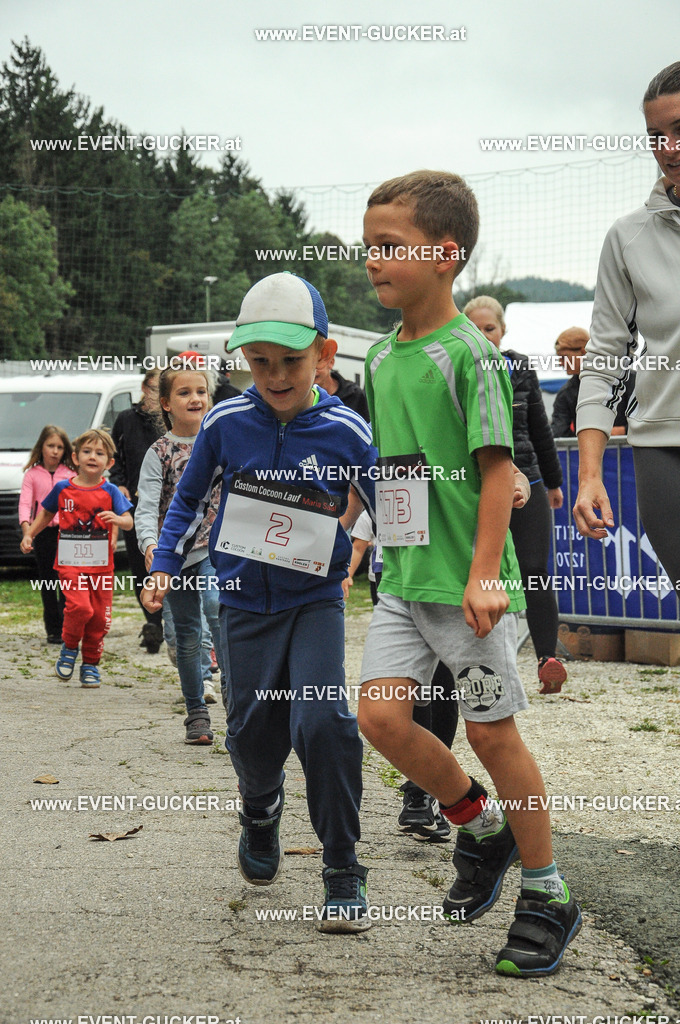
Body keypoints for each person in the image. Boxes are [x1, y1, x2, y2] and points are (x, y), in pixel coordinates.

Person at [357, 170, 581, 977]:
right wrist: (363, 537)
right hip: (404, 582)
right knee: (380, 719)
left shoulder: (473, 357)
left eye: (390, 245)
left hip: (469, 588)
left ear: (445, 255)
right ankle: (480, 827)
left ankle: (548, 892)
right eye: (368, 245)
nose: (372, 259)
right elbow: (395, 469)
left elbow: (495, 471)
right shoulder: (379, 358)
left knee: (490, 732)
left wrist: (486, 573)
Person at [143, 272, 378, 932]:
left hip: (314, 601)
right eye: (260, 361)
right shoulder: (225, 423)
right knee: (252, 732)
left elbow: (395, 505)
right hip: (243, 603)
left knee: (323, 723)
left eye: (291, 361)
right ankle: (260, 806)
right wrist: (163, 564)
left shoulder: (347, 429)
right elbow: (188, 500)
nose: (274, 376)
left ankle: (342, 867)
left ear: (324, 355)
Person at [574, 62, 680, 592]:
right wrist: (589, 474)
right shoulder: (627, 238)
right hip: (663, 448)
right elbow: (604, 360)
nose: (668, 148)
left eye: (679, 130)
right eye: (656, 136)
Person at [465, 296, 567, 694]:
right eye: (474, 329)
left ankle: (547, 659)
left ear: (503, 330)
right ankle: (480, 665)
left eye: (489, 328)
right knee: (478, 570)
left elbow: (540, 428)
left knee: (534, 569)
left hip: (530, 481)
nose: (483, 335)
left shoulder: (520, 367)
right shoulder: (458, 366)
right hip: (477, 485)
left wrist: (554, 483)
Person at [137, 366, 223, 744]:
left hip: (217, 548)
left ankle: (235, 700)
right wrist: (150, 546)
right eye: (185, 392)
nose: (195, 398)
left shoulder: (221, 442)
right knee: (186, 634)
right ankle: (196, 712)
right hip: (175, 555)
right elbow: (146, 507)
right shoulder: (159, 452)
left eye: (201, 391)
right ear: (166, 403)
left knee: (218, 607)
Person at [20, 429, 133, 687]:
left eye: (99, 453)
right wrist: (30, 535)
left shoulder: (111, 491)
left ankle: (90, 664)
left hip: (101, 567)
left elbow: (129, 521)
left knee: (99, 618)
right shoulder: (63, 488)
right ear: (75, 457)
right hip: (70, 563)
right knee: (81, 608)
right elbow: (46, 514)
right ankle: (69, 647)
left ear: (109, 463)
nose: (93, 457)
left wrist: (117, 519)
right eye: (87, 451)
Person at [110, 369, 165, 653]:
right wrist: (119, 483)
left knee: (165, 563)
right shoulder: (125, 419)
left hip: (167, 506)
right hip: (135, 504)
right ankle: (153, 625)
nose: (159, 395)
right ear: (144, 388)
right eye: (155, 389)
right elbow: (114, 458)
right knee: (140, 565)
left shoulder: (170, 419)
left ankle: (172, 621)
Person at [19, 426, 75, 644]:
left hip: (67, 534)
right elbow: (25, 505)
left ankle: (67, 625)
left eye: (59, 447)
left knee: (66, 581)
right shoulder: (32, 475)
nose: (55, 451)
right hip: (42, 533)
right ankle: (53, 629)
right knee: (48, 581)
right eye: (50, 446)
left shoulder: (70, 475)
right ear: (41, 447)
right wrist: (28, 533)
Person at [551, 327, 633, 438]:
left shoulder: (628, 379)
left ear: (583, 352)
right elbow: (559, 432)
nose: (560, 363)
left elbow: (647, 419)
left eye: (564, 357)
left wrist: (622, 431)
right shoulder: (566, 393)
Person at [315, 342, 370, 421]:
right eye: (308, 366)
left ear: (331, 362)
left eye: (319, 363)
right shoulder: (302, 396)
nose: (314, 371)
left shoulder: (354, 394)